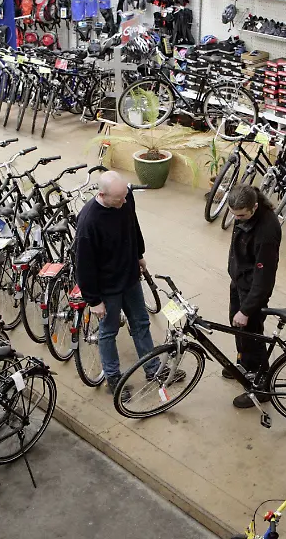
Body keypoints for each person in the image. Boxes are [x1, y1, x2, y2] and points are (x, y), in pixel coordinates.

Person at [74, 171, 181, 401]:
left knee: (141, 322)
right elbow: (84, 265)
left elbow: (133, 225)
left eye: (125, 196)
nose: (124, 202)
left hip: (130, 278)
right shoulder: (89, 221)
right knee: (108, 332)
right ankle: (114, 378)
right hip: (108, 288)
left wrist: (139, 254)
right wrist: (94, 300)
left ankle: (152, 369)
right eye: (119, 199)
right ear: (102, 194)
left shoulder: (124, 199)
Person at [225, 184, 281, 409]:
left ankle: (261, 387)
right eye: (233, 214)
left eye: (241, 215)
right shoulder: (243, 210)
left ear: (255, 207)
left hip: (252, 291)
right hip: (240, 282)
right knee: (238, 329)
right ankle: (244, 365)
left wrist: (247, 309)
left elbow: (264, 278)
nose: (237, 219)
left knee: (253, 336)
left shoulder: (267, 231)